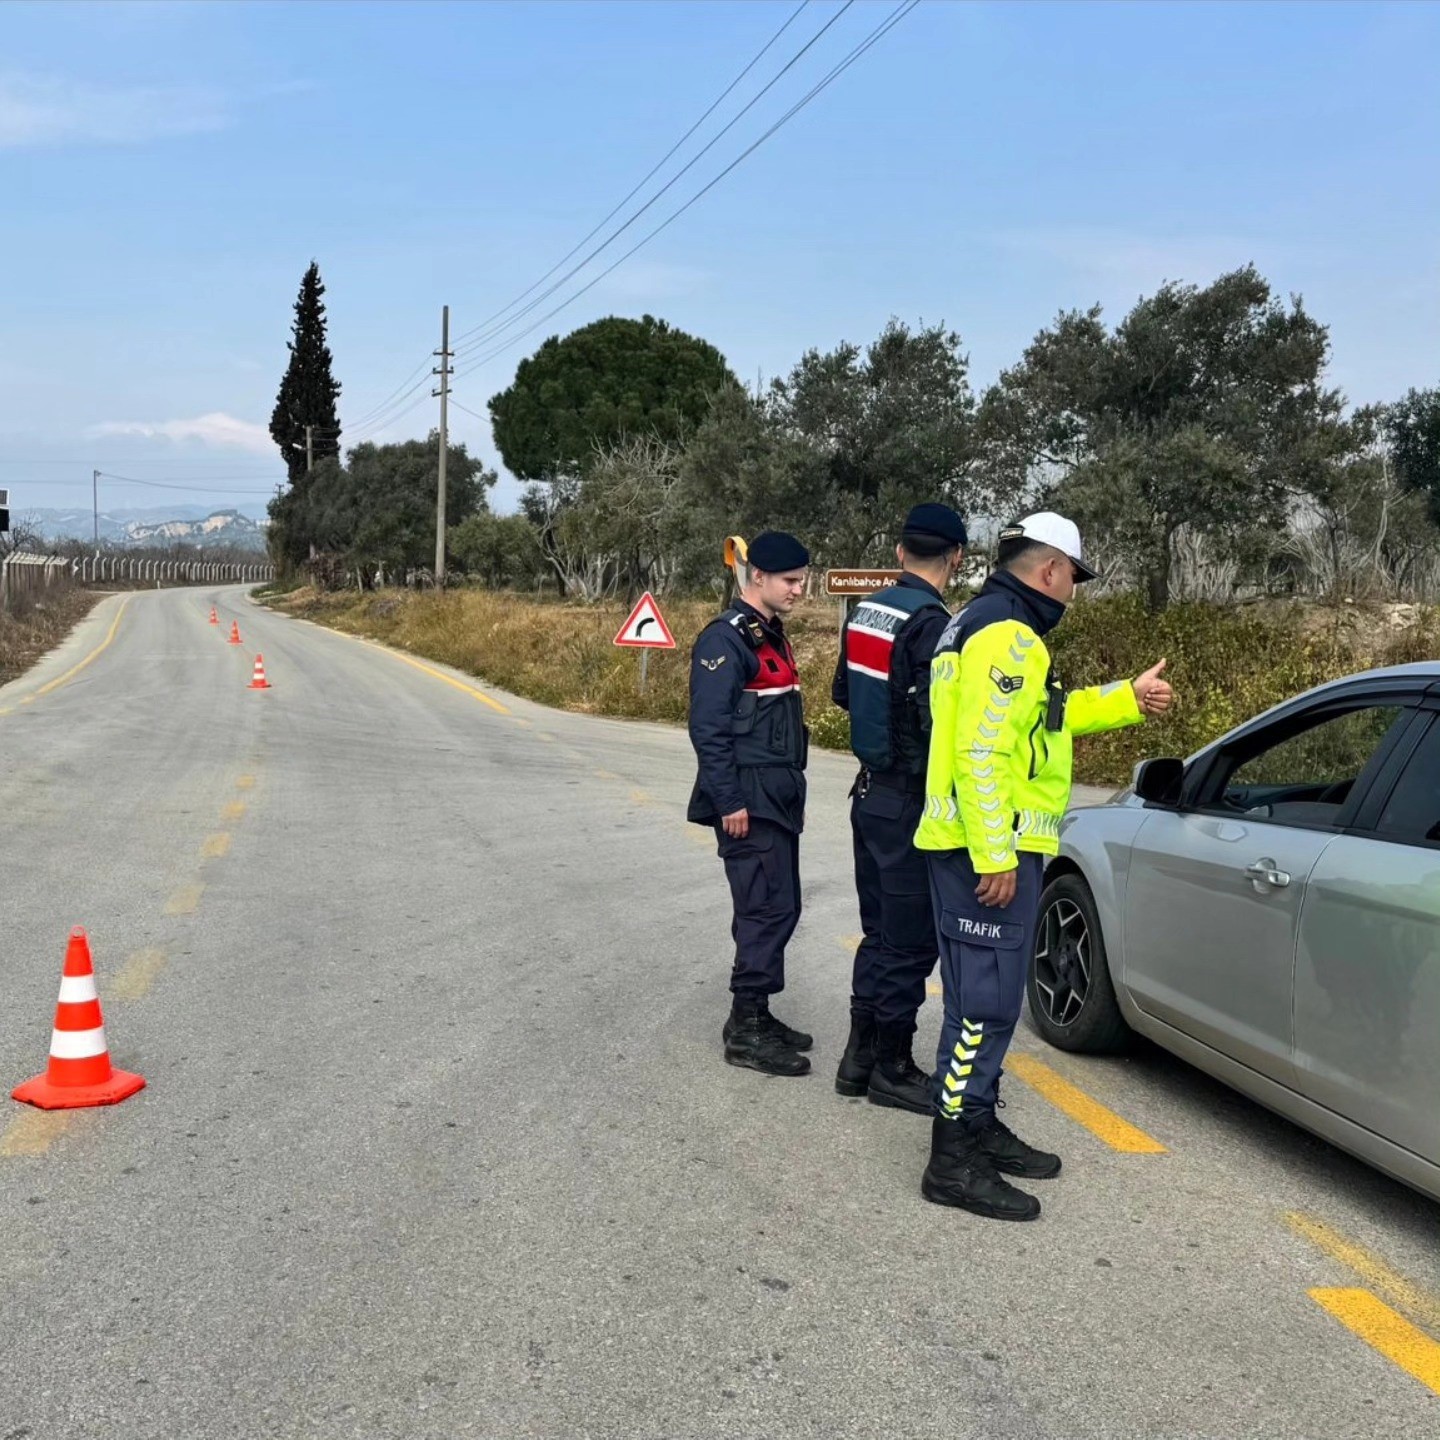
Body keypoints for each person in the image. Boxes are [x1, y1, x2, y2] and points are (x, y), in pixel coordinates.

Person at [914, 513, 1173, 1220]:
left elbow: (1039, 720)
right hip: (986, 853)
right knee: (984, 1010)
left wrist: (1126, 699)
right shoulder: (1010, 635)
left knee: (985, 1006)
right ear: (1052, 571)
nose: (1073, 595)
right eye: (1074, 581)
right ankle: (953, 1159)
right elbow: (983, 751)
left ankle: (976, 1126)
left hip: (977, 845)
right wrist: (995, 853)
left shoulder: (975, 623)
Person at [831, 503, 968, 1113]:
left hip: (868, 793)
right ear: (957, 558)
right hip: (910, 798)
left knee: (880, 931)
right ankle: (891, 1066)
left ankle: (858, 1058)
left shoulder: (867, 611)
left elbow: (842, 691)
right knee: (910, 942)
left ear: (898, 552)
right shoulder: (933, 623)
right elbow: (934, 718)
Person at [687, 532, 813, 1076]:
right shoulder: (725, 639)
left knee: (778, 907)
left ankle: (756, 1012)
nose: (800, 589)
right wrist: (729, 799)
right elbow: (708, 729)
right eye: (790, 580)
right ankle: (746, 1029)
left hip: (776, 798)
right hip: (749, 802)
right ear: (756, 576)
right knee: (764, 909)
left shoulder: (767, 634)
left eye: (803, 579)